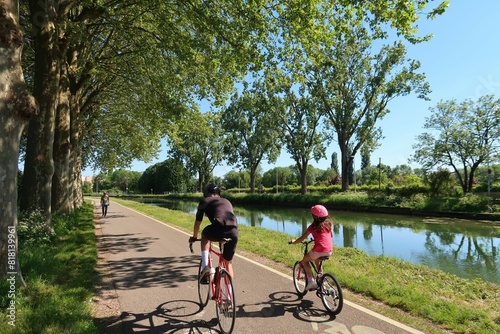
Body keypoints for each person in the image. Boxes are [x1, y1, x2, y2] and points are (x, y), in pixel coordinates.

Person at [189, 184, 238, 282]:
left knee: (204, 234)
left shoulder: (204, 201)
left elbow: (198, 223)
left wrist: (194, 237)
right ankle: (229, 295)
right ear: (219, 193)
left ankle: (205, 267)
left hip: (218, 229)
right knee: (228, 263)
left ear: (205, 194)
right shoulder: (227, 201)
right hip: (234, 231)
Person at [290, 204, 333, 291]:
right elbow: (329, 236)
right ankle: (321, 281)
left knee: (304, 261)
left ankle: (311, 281)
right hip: (329, 250)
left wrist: (294, 242)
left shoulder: (312, 227)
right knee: (317, 259)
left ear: (314, 216)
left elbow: (302, 238)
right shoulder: (328, 224)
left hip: (318, 250)